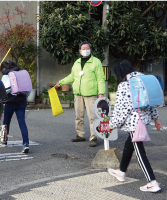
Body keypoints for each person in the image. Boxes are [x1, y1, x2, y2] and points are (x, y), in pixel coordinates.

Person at [107, 60, 162, 193]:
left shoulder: (125, 85)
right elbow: (151, 101)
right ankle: (121, 172)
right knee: (129, 145)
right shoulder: (143, 80)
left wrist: (112, 125)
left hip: (134, 122)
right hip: (144, 120)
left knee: (139, 152)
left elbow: (121, 109)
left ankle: (152, 182)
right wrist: (156, 118)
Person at [56, 41, 105, 147]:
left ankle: (93, 137)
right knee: (78, 116)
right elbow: (72, 76)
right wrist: (60, 82)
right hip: (78, 94)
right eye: (83, 48)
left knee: (92, 117)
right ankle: (80, 134)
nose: (85, 50)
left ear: (90, 49)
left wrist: (101, 93)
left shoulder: (96, 62)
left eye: (87, 48)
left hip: (91, 93)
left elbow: (100, 78)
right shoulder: (77, 62)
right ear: (79, 50)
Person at [0, 61, 30, 153]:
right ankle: (25, 144)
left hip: (10, 103)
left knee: (6, 122)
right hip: (21, 102)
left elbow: (3, 90)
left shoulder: (6, 76)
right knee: (22, 123)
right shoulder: (22, 73)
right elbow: (27, 89)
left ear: (4, 69)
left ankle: (4, 141)